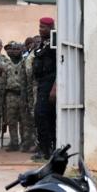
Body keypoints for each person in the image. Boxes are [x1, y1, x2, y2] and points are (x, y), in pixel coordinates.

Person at [32, 17, 57, 160]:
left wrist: (55, 87)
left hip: (50, 82)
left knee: (42, 114)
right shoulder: (42, 43)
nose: (40, 29)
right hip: (41, 82)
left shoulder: (55, 42)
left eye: (43, 27)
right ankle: (45, 149)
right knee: (43, 115)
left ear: (51, 28)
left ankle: (48, 148)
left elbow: (60, 65)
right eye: (40, 27)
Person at [3, 41, 33, 152]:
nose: (15, 51)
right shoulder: (7, 64)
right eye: (14, 49)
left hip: (22, 94)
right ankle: (14, 142)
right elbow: (3, 81)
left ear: (21, 50)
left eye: (18, 49)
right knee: (11, 120)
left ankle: (25, 143)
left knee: (25, 121)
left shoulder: (25, 63)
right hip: (10, 95)